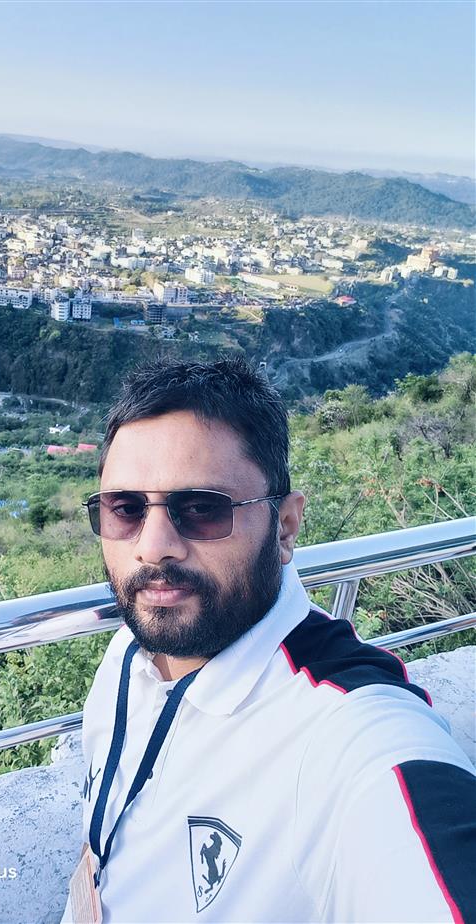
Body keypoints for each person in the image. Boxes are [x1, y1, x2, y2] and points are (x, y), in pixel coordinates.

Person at [63, 357, 475, 924]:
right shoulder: (131, 651)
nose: (152, 547)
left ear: (284, 526)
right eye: (126, 509)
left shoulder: (345, 732)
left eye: (202, 509)